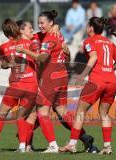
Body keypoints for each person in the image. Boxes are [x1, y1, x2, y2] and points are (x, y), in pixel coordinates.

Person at [17, 10, 98, 153]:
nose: (38, 26)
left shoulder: (49, 38)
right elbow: (65, 53)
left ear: (50, 23)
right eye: (36, 24)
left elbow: (42, 57)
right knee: (62, 112)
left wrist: (25, 51)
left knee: (40, 112)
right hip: (61, 77)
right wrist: (57, 28)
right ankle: (85, 138)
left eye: (41, 23)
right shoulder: (51, 35)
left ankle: (48, 145)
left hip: (50, 78)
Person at [59, 17, 116, 155]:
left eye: (88, 26)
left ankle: (72, 144)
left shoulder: (89, 41)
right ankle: (107, 147)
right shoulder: (110, 43)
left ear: (91, 28)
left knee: (80, 112)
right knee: (104, 114)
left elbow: (93, 57)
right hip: (111, 81)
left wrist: (82, 75)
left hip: (96, 81)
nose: (87, 29)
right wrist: (108, 70)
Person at [0, 18, 38, 153]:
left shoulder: (4, 46)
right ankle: (22, 147)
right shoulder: (29, 43)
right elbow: (40, 58)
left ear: (6, 34)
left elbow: (3, 64)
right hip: (31, 85)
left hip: (15, 85)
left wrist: (8, 64)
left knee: (1, 114)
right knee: (22, 116)